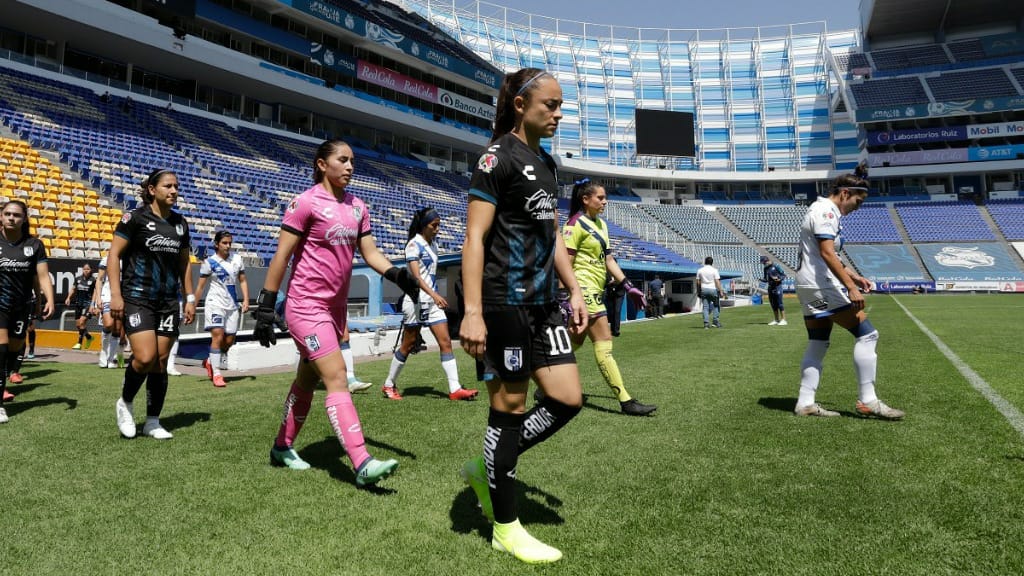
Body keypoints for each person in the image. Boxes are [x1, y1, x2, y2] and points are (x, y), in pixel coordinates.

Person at [459, 67, 587, 564]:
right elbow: (473, 239)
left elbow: (551, 235)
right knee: (508, 410)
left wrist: (573, 288)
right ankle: (506, 528)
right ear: (520, 104)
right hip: (503, 303)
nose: (558, 113)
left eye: (560, 106)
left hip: (543, 303)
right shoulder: (496, 158)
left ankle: (486, 465)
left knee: (567, 399)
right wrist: (472, 312)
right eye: (550, 105)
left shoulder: (547, 162)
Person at [251, 138, 419, 487]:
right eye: (342, 160)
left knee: (307, 380)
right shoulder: (305, 203)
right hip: (305, 306)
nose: (350, 166)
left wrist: (398, 274)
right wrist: (266, 305)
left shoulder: (358, 207)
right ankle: (361, 462)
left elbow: (370, 253)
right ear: (321, 164)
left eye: (352, 161)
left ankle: (282, 447)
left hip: (335, 309)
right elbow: (282, 256)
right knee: (338, 376)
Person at [792, 174, 904, 420]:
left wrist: (854, 278)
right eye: (858, 201)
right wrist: (850, 288)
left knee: (818, 341)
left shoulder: (821, 210)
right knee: (868, 334)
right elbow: (827, 253)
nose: (857, 207)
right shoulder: (827, 212)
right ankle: (868, 400)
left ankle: (805, 402)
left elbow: (832, 255)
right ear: (845, 193)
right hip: (821, 285)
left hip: (809, 284)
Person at [108, 169, 196, 440]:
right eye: (168, 186)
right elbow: (114, 256)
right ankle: (125, 402)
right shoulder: (134, 218)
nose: (174, 191)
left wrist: (189, 298)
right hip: (137, 297)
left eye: (176, 186)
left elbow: (184, 264)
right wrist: (115, 294)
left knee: (160, 360)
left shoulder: (180, 224)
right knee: (144, 358)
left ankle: (153, 421)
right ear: (152, 190)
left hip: (168, 300)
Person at [562, 179, 656, 416]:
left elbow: (608, 260)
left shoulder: (601, 225)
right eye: (600, 198)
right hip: (584, 291)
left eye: (605, 197)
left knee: (573, 342)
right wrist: (568, 295)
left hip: (597, 290)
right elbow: (565, 263)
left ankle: (546, 387)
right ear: (586, 199)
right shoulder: (574, 225)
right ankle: (626, 400)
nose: (605, 201)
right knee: (604, 344)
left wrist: (628, 285)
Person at [382, 207, 478, 401]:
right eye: (434, 225)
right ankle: (388, 384)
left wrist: (434, 297)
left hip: (431, 302)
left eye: (439, 225)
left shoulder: (433, 245)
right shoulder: (413, 245)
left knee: (446, 342)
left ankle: (455, 389)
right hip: (416, 301)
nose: (437, 229)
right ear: (424, 225)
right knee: (408, 345)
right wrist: (434, 294)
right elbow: (416, 277)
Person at [0, 200, 56, 423]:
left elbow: (42, 276)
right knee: (1, 350)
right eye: (7, 214)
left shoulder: (35, 245)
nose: (11, 218)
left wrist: (48, 300)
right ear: (1, 217)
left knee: (13, 348)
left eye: (16, 215)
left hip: (22, 305)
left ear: (24, 219)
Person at [195, 230, 250, 388]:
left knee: (228, 341)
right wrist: (192, 305)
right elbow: (200, 287)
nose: (228, 246)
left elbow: (243, 281)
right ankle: (217, 373)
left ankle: (210, 362)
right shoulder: (209, 262)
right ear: (216, 244)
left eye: (229, 243)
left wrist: (246, 299)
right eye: (224, 243)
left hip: (232, 306)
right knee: (217, 336)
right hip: (215, 304)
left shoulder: (237, 259)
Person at [92, 249, 125, 369]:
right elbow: (99, 279)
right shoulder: (107, 259)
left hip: (122, 296)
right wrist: (98, 299)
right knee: (108, 323)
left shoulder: (127, 260)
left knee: (117, 329)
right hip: (107, 295)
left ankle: (111, 359)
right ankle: (103, 353)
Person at [66, 263, 96, 350]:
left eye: (88, 269)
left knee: (82, 322)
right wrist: (68, 297)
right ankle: (89, 337)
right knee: (78, 325)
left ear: (91, 270)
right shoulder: (78, 279)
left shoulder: (93, 280)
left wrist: (92, 304)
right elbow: (73, 289)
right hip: (78, 303)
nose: (86, 271)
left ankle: (79, 343)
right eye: (84, 269)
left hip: (87, 304)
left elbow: (95, 292)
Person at [696, 256, 724, 329]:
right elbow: (717, 281)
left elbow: (698, 282)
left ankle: (706, 324)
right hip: (713, 289)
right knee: (716, 305)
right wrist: (721, 290)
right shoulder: (714, 270)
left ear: (705, 262)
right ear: (712, 262)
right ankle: (715, 322)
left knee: (705, 307)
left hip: (704, 289)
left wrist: (698, 291)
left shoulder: (700, 270)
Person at [760, 255, 788, 326]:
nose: (764, 264)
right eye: (763, 263)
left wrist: (779, 279)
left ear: (767, 260)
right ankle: (776, 320)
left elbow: (784, 275)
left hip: (777, 286)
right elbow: (766, 279)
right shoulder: (765, 269)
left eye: (764, 262)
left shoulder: (776, 266)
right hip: (770, 287)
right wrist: (761, 280)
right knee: (773, 304)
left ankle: (784, 320)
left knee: (779, 303)